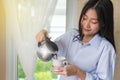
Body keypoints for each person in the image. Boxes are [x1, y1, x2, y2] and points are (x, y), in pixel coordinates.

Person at [36, 0, 116, 80]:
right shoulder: (71, 36)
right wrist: (44, 39)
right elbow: (53, 51)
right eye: (84, 18)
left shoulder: (106, 49)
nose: (86, 25)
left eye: (93, 22)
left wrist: (77, 72)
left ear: (103, 23)